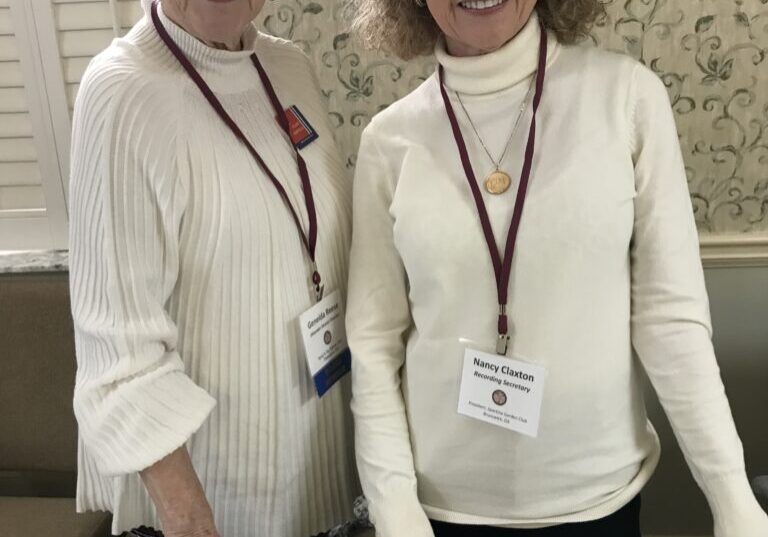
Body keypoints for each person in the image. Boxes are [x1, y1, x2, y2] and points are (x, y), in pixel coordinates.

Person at [345, 0, 768, 536]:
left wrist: (731, 495)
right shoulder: (389, 141)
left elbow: (670, 319)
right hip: (441, 512)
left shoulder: (627, 99)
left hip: (599, 502)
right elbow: (373, 341)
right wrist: (394, 509)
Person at [68, 0, 358, 535]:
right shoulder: (123, 90)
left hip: (316, 473)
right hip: (214, 505)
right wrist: (190, 517)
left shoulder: (287, 66)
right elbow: (117, 348)